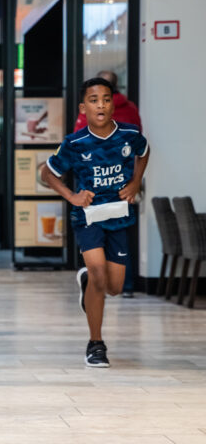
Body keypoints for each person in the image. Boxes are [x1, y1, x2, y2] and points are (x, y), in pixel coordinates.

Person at [42, 77, 150, 368]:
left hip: (118, 217)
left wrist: (136, 182)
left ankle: (89, 281)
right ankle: (96, 344)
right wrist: (71, 196)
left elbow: (144, 152)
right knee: (100, 272)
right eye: (93, 99)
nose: (100, 104)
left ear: (112, 103)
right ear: (83, 107)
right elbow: (46, 173)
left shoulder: (129, 134)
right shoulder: (75, 143)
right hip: (88, 217)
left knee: (113, 286)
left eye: (105, 98)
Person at [74, 71, 143, 298]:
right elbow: (138, 142)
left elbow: (80, 139)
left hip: (95, 182)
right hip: (122, 183)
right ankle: (126, 286)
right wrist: (134, 181)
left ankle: (95, 276)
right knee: (119, 231)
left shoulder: (92, 111)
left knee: (94, 228)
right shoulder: (131, 109)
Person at [73, 71, 141, 132]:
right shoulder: (131, 107)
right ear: (116, 84)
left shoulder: (89, 108)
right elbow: (138, 131)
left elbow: (78, 135)